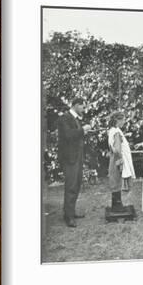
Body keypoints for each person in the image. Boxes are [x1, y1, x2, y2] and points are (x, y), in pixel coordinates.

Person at [57, 97, 91, 228]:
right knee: (71, 185)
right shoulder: (64, 118)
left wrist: (84, 131)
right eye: (82, 106)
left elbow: (75, 135)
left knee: (76, 184)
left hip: (77, 156)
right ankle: (68, 217)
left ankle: (71, 212)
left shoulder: (76, 119)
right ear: (76, 105)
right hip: (70, 158)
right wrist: (84, 130)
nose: (84, 109)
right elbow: (68, 135)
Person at [107, 111, 136, 212]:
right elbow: (118, 150)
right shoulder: (116, 132)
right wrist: (120, 163)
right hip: (117, 159)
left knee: (115, 180)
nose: (124, 121)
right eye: (123, 119)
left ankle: (116, 205)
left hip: (114, 158)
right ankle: (117, 206)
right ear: (117, 120)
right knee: (117, 181)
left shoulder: (112, 130)